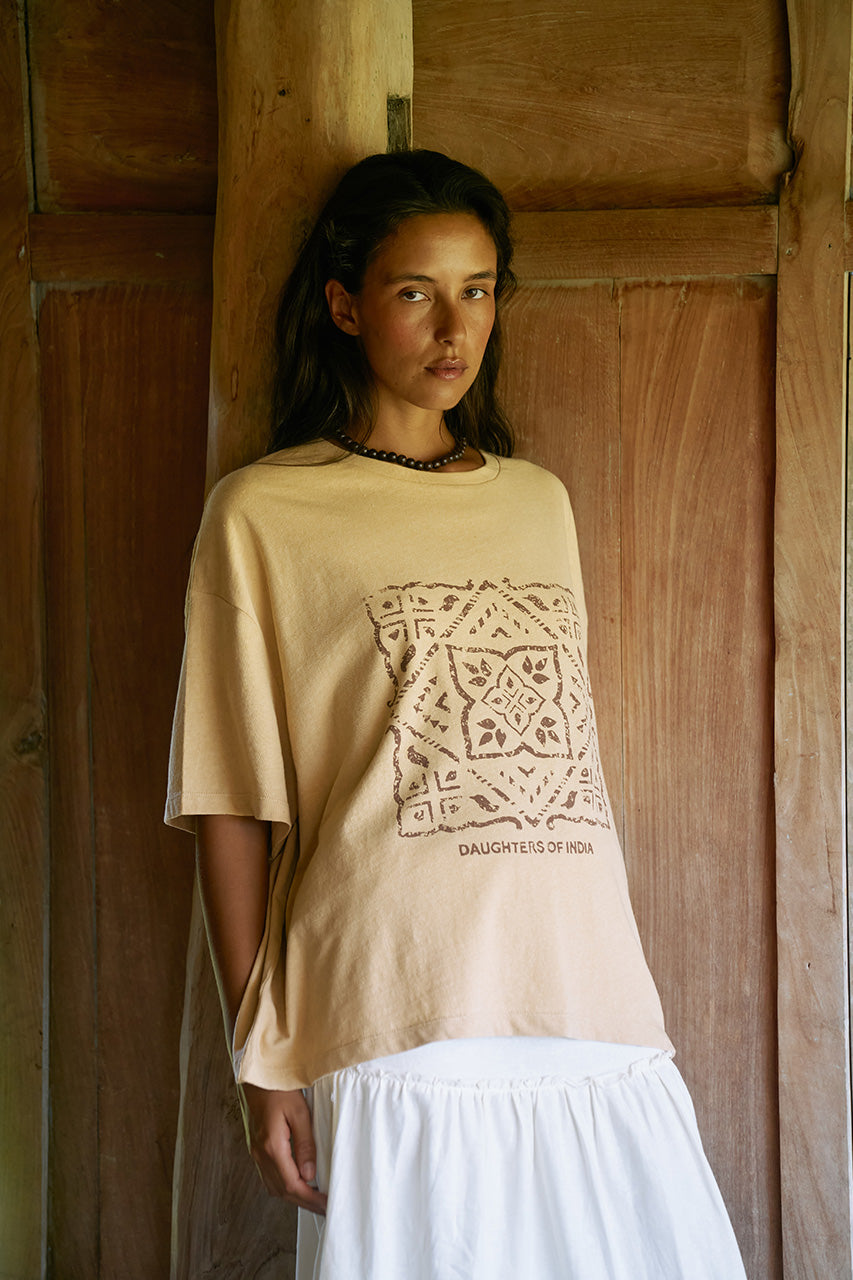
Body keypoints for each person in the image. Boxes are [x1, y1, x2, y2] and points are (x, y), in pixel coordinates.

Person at [166, 150, 747, 1279]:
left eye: (477, 289)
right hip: (390, 998)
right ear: (344, 304)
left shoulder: (539, 503)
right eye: (414, 291)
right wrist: (258, 1056)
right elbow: (230, 802)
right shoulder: (262, 513)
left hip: (583, 984)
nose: (454, 326)